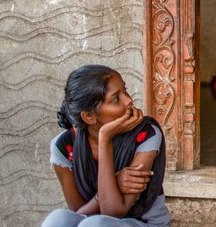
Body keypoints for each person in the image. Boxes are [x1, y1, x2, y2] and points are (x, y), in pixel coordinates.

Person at [42, 65, 169, 227]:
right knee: (58, 219)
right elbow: (77, 214)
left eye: (125, 90)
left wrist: (104, 138)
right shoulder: (64, 147)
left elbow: (114, 211)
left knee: (95, 225)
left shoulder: (147, 134)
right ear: (89, 116)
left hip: (144, 223)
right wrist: (113, 183)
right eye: (116, 98)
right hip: (91, 221)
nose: (128, 100)